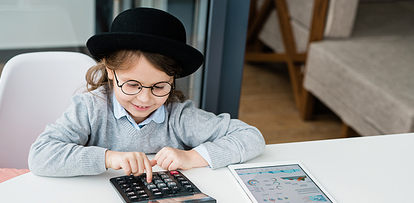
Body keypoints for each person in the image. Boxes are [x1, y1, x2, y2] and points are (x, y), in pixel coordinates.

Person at [28, 7, 265, 182]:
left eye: (159, 87)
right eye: (132, 85)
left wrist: (192, 157)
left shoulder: (179, 117)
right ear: (111, 71)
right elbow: (40, 156)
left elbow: (250, 137)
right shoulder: (89, 109)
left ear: (173, 80)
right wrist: (109, 158)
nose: (144, 99)